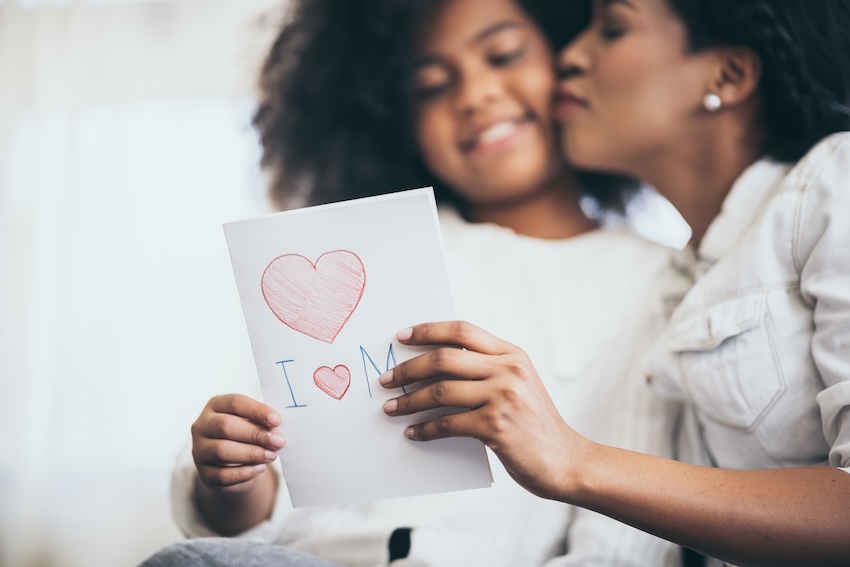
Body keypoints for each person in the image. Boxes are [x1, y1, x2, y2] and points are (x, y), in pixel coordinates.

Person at [143, 0, 683, 565]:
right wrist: (235, 476)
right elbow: (266, 493)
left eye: (504, 55)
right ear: (394, 119)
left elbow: (622, 542)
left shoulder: (655, 284)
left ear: (574, 59)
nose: (474, 95)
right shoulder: (361, 251)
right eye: (430, 86)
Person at [376, 1, 850, 566]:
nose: (571, 55)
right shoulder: (685, 278)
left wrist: (575, 461)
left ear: (727, 74)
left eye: (612, 29)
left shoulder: (833, 181)